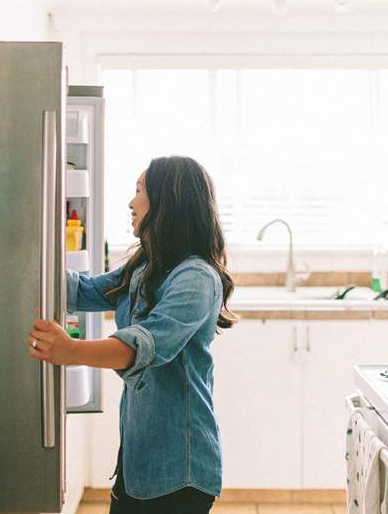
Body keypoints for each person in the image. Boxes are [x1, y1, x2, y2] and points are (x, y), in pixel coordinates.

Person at [27, 155, 235, 513]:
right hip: (138, 459)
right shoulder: (145, 266)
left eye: (140, 190)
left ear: (166, 203)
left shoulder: (196, 278)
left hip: (180, 468)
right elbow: (87, 291)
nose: (131, 202)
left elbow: (143, 345)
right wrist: (27, 260)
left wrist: (70, 350)